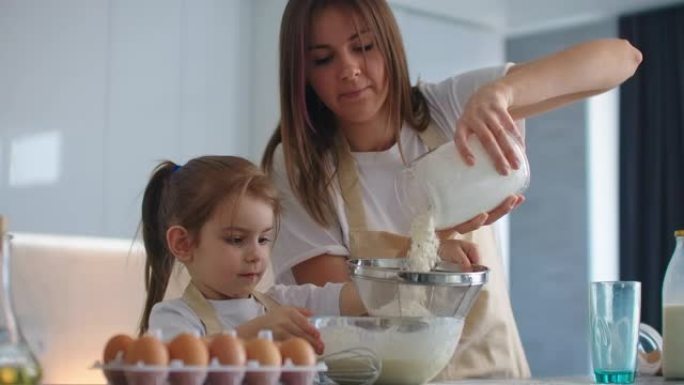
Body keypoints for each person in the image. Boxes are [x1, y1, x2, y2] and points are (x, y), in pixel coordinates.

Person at [261, 0, 642, 379]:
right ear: (302, 73)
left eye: (363, 47)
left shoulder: (448, 109)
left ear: (390, 44)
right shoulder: (301, 166)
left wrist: (502, 94)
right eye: (323, 59)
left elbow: (622, 59)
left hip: (493, 373)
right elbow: (338, 304)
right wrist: (428, 254)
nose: (349, 69)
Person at [137, 155, 365, 353]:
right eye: (236, 239)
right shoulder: (174, 318)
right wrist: (256, 332)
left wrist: (394, 283)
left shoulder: (281, 302)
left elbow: (357, 299)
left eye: (263, 239)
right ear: (183, 243)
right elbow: (182, 361)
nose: (256, 255)